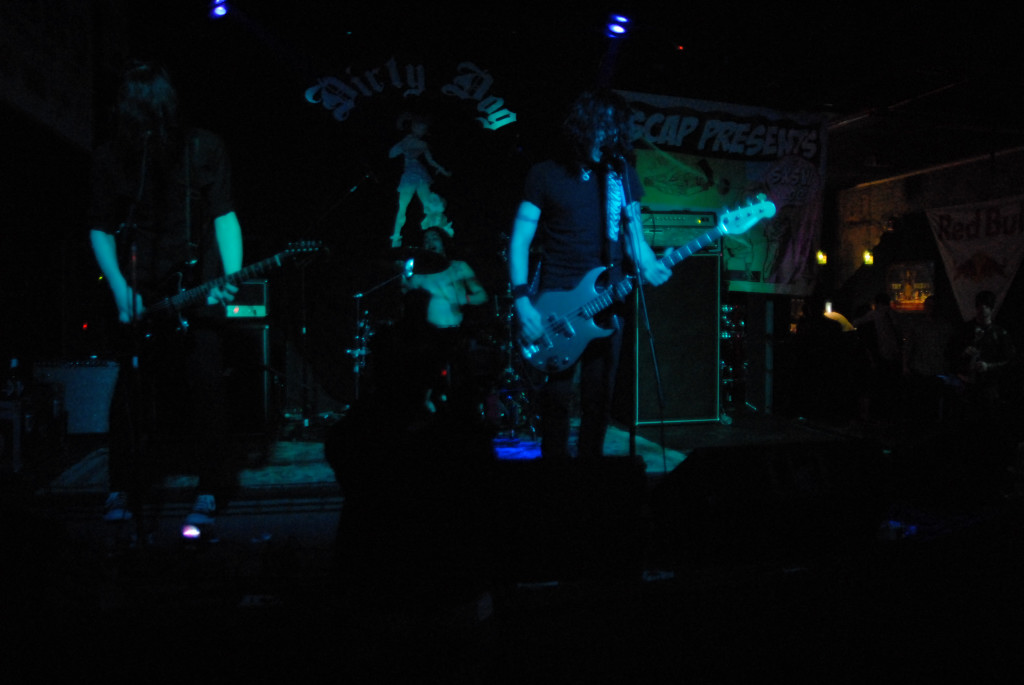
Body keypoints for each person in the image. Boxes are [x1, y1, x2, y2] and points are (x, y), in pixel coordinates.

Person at [88, 60, 243, 531]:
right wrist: (121, 290)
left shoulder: (204, 147)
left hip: (196, 285)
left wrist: (230, 276)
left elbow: (224, 215)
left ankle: (210, 488)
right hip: (141, 289)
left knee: (207, 386)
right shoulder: (111, 156)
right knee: (131, 390)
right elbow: (100, 227)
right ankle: (121, 486)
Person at [508, 89, 671, 461]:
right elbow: (519, 241)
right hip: (555, 303)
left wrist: (651, 264)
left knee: (599, 400)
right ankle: (554, 470)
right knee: (556, 400)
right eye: (601, 125)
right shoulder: (545, 174)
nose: (608, 134)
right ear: (583, 127)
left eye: (614, 127)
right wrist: (522, 302)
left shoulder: (621, 176)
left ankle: (591, 473)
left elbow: (635, 241)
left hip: (608, 302)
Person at [400, 226, 489, 417]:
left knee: (461, 376)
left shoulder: (459, 267)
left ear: (443, 242)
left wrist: (465, 299)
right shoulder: (419, 273)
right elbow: (405, 293)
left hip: (458, 332)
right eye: (425, 240)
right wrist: (405, 272)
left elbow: (482, 295)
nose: (429, 242)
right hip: (429, 334)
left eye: (434, 238)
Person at [388, 113, 451, 248]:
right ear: (413, 127)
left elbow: (431, 160)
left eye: (422, 129)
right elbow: (392, 153)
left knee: (430, 206)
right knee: (403, 207)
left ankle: (438, 235)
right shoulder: (411, 142)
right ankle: (396, 238)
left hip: (419, 173)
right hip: (411, 174)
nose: (419, 131)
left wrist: (443, 170)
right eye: (417, 128)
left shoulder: (421, 144)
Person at [954, 290, 1016, 422]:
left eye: (986, 306)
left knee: (987, 420)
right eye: (979, 306)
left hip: (989, 386)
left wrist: (988, 366)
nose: (982, 310)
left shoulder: (1000, 333)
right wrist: (963, 353)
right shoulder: (964, 330)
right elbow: (949, 353)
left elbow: (1010, 360)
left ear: (991, 309)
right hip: (966, 383)